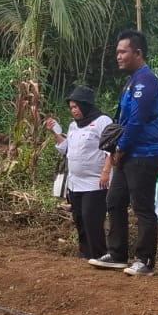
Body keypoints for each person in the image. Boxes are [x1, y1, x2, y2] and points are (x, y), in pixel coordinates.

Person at [91, 29, 158, 276]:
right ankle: (117, 254)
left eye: (123, 52)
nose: (118, 57)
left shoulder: (147, 81)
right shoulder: (132, 81)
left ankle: (145, 261)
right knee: (114, 201)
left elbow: (136, 121)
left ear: (138, 53)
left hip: (144, 154)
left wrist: (121, 148)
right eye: (117, 52)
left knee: (142, 207)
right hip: (128, 154)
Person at [44, 85, 113, 261]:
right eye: (71, 108)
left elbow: (111, 149)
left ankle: (99, 254)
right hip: (75, 183)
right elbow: (66, 149)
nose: (73, 111)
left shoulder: (102, 121)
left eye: (76, 107)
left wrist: (106, 171)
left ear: (86, 104)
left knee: (92, 219)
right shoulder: (73, 126)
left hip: (95, 182)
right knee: (80, 219)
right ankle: (85, 253)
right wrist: (55, 133)